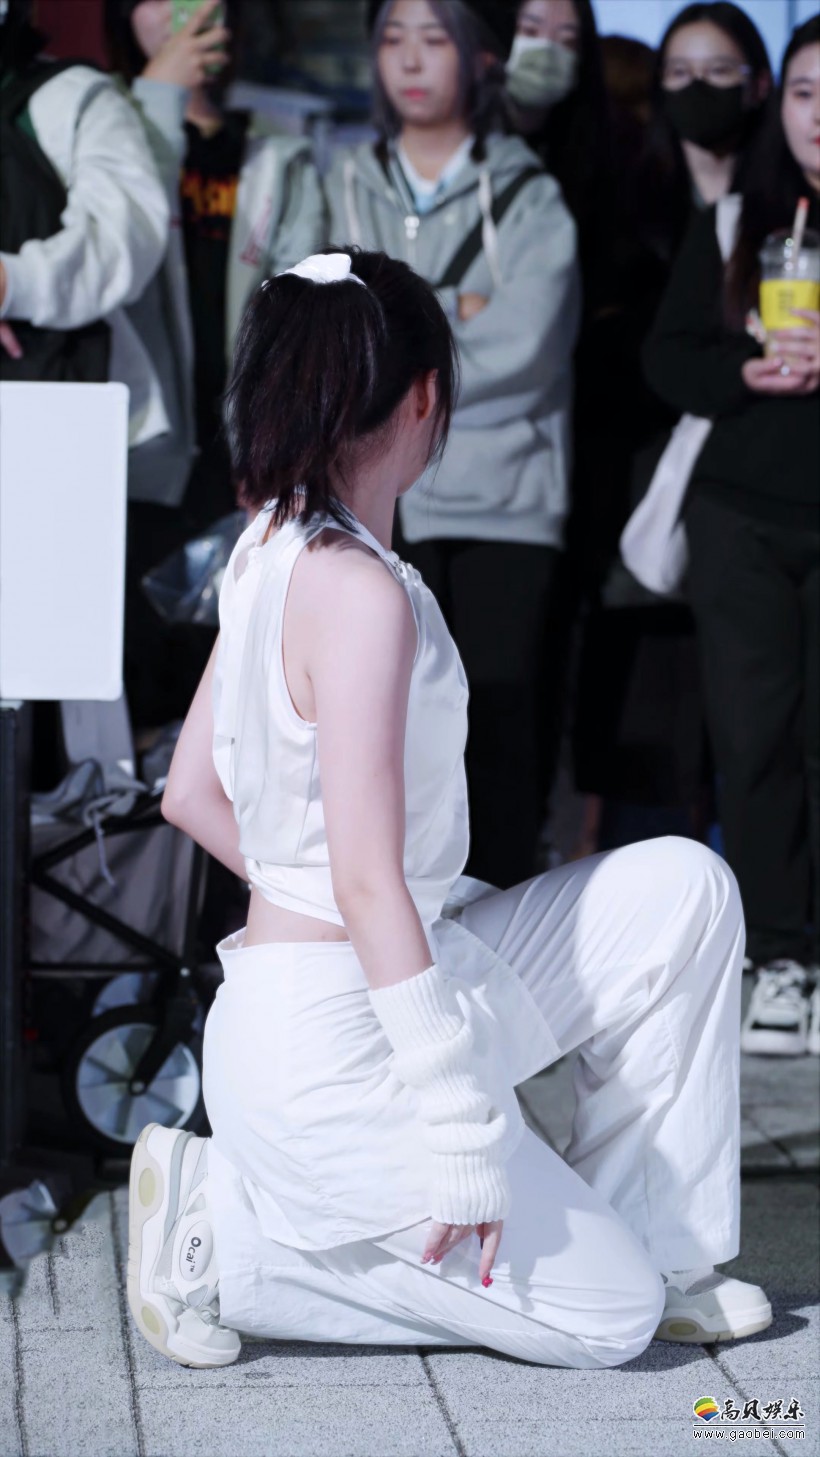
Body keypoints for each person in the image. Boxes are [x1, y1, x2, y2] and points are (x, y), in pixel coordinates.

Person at [125, 245, 772, 1370]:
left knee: (684, 889)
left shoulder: (269, 545)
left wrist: (365, 907)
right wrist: (462, 1120)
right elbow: (363, 877)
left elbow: (189, 793)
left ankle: (664, 1246)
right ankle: (224, 1232)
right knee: (607, 1320)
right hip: (332, 1056)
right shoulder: (359, 592)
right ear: (424, 397)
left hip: (365, 976)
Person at [323, 0, 581, 890]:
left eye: (435, 39)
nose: (410, 60)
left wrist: (383, 346)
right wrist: (454, 312)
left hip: (506, 501)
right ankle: (395, 922)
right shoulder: (339, 179)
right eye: (392, 39)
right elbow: (311, 326)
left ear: (480, 57)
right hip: (371, 496)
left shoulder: (530, 193)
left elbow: (528, 346)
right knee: (382, 725)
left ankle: (504, 928)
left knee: (497, 731)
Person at [644, 17, 820, 1059]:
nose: (818, 116)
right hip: (742, 511)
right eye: (804, 92)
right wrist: (742, 369)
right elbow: (666, 357)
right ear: (776, 103)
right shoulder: (735, 221)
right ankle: (779, 959)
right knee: (754, 740)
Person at [570, 1, 773, 856]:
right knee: (647, 714)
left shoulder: (781, 205)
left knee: (755, 713)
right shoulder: (626, 201)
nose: (698, 89)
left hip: (755, 482)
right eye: (680, 72)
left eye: (719, 71)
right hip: (637, 483)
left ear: (757, 84)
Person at [103, 0, 326, 732]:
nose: (184, 13)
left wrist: (273, 438)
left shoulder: (276, 151)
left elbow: (301, 309)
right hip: (131, 444)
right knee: (124, 681)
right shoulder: (103, 129)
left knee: (234, 692)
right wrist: (156, 99)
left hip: (242, 452)